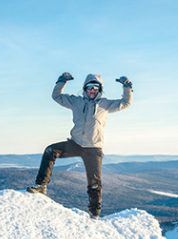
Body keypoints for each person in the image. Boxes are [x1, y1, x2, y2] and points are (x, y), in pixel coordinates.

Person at [27, 72, 133, 219]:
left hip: (94, 148)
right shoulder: (76, 102)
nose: (92, 90)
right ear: (85, 88)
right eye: (90, 87)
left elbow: (125, 103)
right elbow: (56, 97)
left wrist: (127, 87)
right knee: (50, 151)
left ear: (99, 90)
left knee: (94, 183)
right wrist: (61, 82)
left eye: (95, 88)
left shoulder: (105, 104)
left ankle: (94, 214)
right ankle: (41, 185)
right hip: (75, 144)